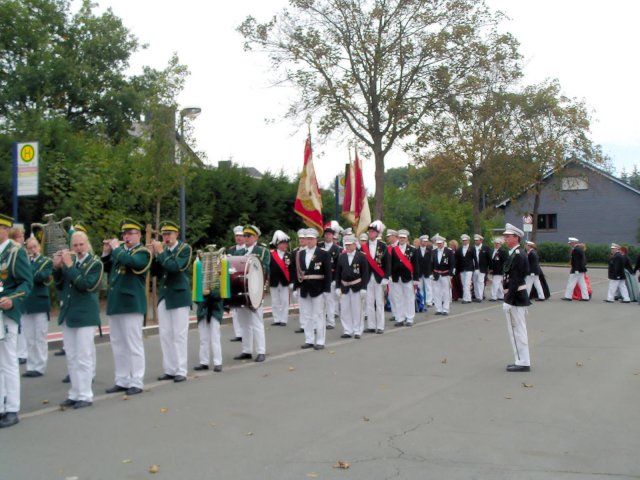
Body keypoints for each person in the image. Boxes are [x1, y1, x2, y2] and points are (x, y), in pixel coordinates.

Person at [101, 219, 151, 396]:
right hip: (116, 303)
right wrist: (106, 253)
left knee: (133, 344)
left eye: (130, 233)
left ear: (138, 235)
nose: (126, 237)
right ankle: (122, 379)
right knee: (118, 343)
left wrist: (116, 249)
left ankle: (136, 380)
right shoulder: (119, 252)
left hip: (131, 304)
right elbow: (106, 268)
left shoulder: (143, 252)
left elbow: (132, 262)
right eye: (124, 234)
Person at [54, 231, 103, 409]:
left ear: (87, 245)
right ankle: (74, 392)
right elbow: (59, 285)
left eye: (81, 245)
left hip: (85, 315)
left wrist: (68, 266)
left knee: (83, 356)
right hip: (69, 313)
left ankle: (85, 394)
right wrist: (57, 268)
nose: (78, 248)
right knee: (72, 357)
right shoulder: (71, 263)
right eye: (75, 245)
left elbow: (85, 285)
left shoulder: (95, 263)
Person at [0, 214, 33, 428]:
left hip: (5, 314)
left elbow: (26, 283)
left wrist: (12, 301)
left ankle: (11, 408)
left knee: (8, 362)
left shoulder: (15, 252)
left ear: (5, 229)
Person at [150, 221, 193, 383]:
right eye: (164, 235)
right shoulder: (164, 251)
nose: (166, 238)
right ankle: (169, 369)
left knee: (179, 334)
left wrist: (161, 253)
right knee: (165, 334)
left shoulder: (185, 249)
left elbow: (175, 267)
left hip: (180, 296)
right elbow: (155, 272)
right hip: (165, 296)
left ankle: (181, 369)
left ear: (176, 235)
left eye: (169, 234)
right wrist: (153, 255)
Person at [233, 225, 269, 362]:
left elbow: (265, 270)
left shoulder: (263, 251)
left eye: (249, 236)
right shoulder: (238, 252)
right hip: (241, 290)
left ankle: (261, 351)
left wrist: (263, 290)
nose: (246, 238)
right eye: (245, 236)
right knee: (244, 323)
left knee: (256, 321)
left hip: (255, 290)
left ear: (256, 237)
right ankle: (246, 350)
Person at [292, 229, 331, 350]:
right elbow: (296, 272)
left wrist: (326, 290)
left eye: (311, 239)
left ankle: (320, 341)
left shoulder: (323, 253)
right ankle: (309, 339)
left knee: (319, 315)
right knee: (306, 316)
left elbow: (328, 273)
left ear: (316, 240)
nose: (309, 241)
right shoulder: (300, 253)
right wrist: (295, 287)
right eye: (307, 239)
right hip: (304, 288)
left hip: (318, 288)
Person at [502, 223, 532, 372]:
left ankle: (522, 361)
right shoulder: (515, 253)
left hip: (516, 297)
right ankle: (521, 359)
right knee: (517, 329)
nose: (505, 239)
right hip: (516, 296)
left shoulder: (518, 255)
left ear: (516, 238)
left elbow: (516, 279)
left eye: (508, 236)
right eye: (505, 236)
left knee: (516, 330)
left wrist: (508, 299)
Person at [21, 237, 53, 378]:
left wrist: (28, 269)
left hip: (40, 303)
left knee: (39, 336)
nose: (33, 250)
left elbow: (42, 276)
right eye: (30, 248)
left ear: (39, 247)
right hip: (27, 303)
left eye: (35, 247)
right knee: (29, 337)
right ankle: (31, 365)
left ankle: (39, 366)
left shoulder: (46, 261)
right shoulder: (25, 262)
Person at [335, 234, 369, 339]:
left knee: (357, 309)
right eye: (346, 245)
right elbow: (338, 273)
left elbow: (365, 273)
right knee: (345, 309)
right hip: (344, 286)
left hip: (357, 286)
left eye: (349, 245)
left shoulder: (361, 256)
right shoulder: (342, 257)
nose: (347, 247)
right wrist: (337, 287)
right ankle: (347, 330)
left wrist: (364, 288)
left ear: (355, 245)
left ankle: (357, 330)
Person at [361, 220, 390, 334]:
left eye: (373, 232)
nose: (371, 234)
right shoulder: (363, 247)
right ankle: (371, 326)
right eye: (370, 232)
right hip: (368, 278)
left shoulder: (383, 246)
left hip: (379, 278)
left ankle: (380, 326)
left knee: (379, 302)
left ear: (377, 234)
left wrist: (386, 277)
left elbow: (387, 263)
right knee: (369, 302)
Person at [194, 272, 224, 373]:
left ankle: (218, 362)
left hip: (215, 310)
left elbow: (221, 293)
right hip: (203, 310)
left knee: (215, 337)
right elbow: (195, 297)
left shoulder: (219, 277)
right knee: (203, 338)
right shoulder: (199, 277)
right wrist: (199, 294)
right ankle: (204, 362)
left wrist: (209, 292)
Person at [390, 229, 419, 326]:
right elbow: (391, 264)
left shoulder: (412, 250)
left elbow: (416, 265)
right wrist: (390, 275)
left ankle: (410, 318)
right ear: (398, 238)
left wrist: (416, 279)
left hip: (408, 278)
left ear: (407, 239)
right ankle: (400, 318)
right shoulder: (394, 250)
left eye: (404, 238)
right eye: (400, 237)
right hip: (396, 277)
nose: (402, 239)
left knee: (409, 298)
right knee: (398, 298)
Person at [8, 226, 28, 365]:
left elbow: (26, 279)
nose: (23, 240)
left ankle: (22, 353)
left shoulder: (19, 253)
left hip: (17, 299)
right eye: (20, 237)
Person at [319, 222, 342, 330]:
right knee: (320, 301)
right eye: (326, 234)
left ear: (333, 236)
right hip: (320, 278)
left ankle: (331, 322)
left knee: (330, 301)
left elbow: (338, 267)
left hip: (332, 278)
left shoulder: (337, 249)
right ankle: (321, 320)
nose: (327, 236)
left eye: (330, 234)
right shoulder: (319, 247)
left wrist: (336, 281)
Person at [227, 225, 246, 342]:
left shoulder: (247, 250)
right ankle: (238, 333)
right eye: (237, 236)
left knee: (244, 309)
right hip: (233, 281)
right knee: (234, 309)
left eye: (241, 236)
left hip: (244, 281)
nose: (238, 238)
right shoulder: (231, 250)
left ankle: (245, 333)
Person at [269, 230, 292, 326]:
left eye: (285, 244)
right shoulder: (271, 254)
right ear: (277, 244)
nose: (284, 246)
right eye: (282, 244)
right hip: (274, 281)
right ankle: (276, 319)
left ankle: (283, 319)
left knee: (284, 301)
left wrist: (292, 282)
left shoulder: (289, 255)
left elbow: (292, 269)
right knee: (275, 301)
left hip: (285, 281)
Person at [431, 235, 455, 315]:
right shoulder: (434, 252)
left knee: (446, 292)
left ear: (443, 243)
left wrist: (451, 274)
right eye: (438, 243)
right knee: (436, 292)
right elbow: (431, 263)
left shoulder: (449, 251)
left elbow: (452, 263)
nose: (439, 245)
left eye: (441, 243)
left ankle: (445, 309)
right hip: (436, 274)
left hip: (445, 274)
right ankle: (438, 309)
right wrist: (431, 273)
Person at [290, 228, 307, 333]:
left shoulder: (310, 251)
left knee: (311, 307)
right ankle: (303, 325)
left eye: (303, 238)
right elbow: (292, 269)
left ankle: (313, 326)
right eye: (300, 238)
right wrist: (293, 284)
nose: (301, 240)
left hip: (309, 282)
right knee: (302, 306)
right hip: (299, 282)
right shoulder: (295, 251)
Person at [563, 237, 589, 301]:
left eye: (571, 243)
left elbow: (576, 261)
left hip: (576, 269)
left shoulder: (576, 250)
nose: (570, 244)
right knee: (582, 284)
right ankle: (585, 297)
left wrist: (576, 269)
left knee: (571, 282)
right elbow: (583, 260)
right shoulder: (579, 249)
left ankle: (568, 296)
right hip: (581, 269)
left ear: (574, 242)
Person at [456, 234, 475, 304]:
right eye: (463, 240)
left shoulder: (472, 248)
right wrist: (456, 269)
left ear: (468, 241)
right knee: (464, 284)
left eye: (465, 240)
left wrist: (475, 267)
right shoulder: (459, 249)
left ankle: (466, 299)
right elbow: (457, 260)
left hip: (469, 268)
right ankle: (468, 298)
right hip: (462, 268)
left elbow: (475, 258)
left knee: (467, 283)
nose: (464, 242)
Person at [472, 234, 492, 302]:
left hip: (482, 268)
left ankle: (480, 296)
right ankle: (477, 296)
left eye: (477, 240)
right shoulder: (472, 248)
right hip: (474, 268)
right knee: (475, 282)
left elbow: (489, 258)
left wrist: (490, 267)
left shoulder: (485, 248)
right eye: (475, 240)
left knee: (480, 282)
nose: (476, 241)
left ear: (481, 240)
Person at [416, 235, 433, 311]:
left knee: (428, 287)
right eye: (424, 241)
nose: (425, 243)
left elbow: (432, 262)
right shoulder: (416, 251)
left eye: (426, 241)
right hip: (419, 271)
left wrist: (431, 271)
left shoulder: (430, 251)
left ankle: (429, 302)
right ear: (420, 242)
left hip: (427, 271)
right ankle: (422, 301)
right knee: (420, 287)